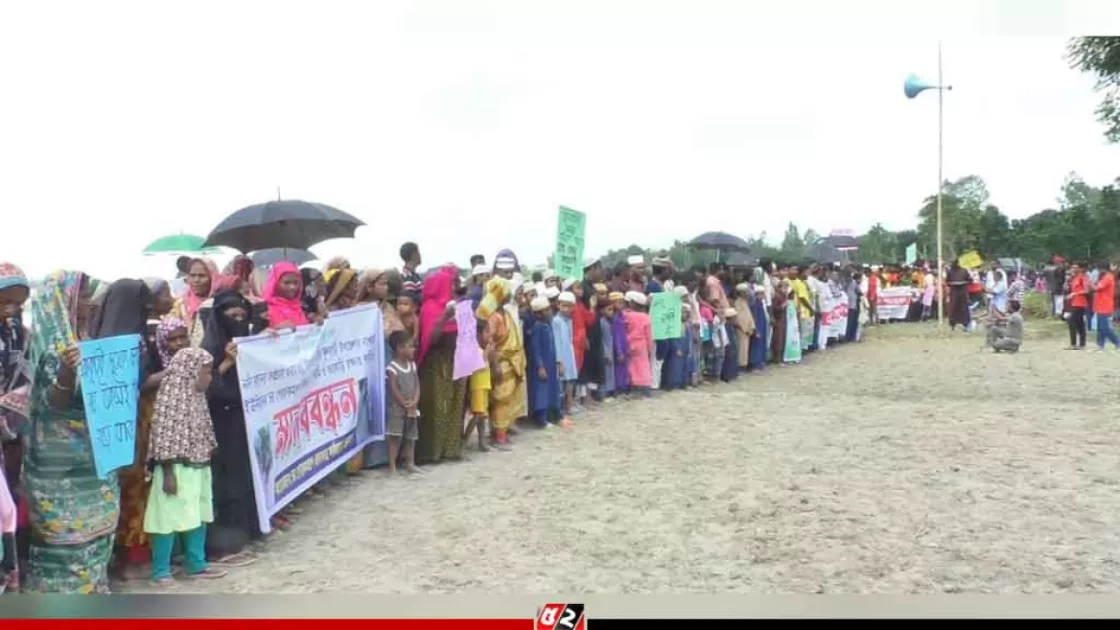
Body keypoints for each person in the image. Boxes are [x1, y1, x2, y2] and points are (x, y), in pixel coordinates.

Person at [24, 271, 121, 593]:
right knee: (66, 547)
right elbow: (53, 404)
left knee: (97, 543)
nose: (91, 303)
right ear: (62, 299)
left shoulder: (87, 340)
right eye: (83, 296)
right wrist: (68, 369)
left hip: (95, 463)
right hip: (59, 467)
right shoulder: (46, 348)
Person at [144, 347, 225, 586]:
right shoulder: (171, 398)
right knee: (167, 518)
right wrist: (168, 473)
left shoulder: (195, 396)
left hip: (198, 463)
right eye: (205, 372)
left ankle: (196, 564)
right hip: (175, 467)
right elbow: (162, 436)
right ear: (190, 371)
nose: (208, 378)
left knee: (198, 514)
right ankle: (160, 571)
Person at [201, 291, 260, 567]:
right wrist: (225, 363)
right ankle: (221, 545)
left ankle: (245, 532)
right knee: (224, 481)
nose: (238, 321)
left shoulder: (247, 339)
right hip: (218, 423)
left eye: (242, 316)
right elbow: (203, 388)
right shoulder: (208, 347)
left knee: (242, 476)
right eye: (232, 316)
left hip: (241, 417)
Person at [416, 266, 466, 463]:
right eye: (450, 284)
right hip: (437, 363)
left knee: (455, 404)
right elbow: (431, 338)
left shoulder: (454, 306)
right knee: (438, 407)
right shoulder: (429, 309)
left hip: (455, 360)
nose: (454, 288)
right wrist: (445, 317)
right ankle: (433, 452)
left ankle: (451, 449)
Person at [478, 278, 524, 447]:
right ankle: (499, 436)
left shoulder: (505, 313)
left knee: (505, 399)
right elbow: (489, 343)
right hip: (499, 362)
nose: (510, 294)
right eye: (507, 292)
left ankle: (500, 432)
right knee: (500, 399)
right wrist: (495, 365)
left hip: (509, 362)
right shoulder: (494, 317)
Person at [385, 330, 423, 474]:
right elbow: (393, 388)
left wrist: (415, 400)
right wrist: (403, 402)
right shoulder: (392, 368)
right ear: (400, 348)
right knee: (395, 437)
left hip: (412, 407)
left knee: (410, 437)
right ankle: (392, 466)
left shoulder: (412, 365)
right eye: (410, 346)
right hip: (397, 408)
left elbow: (417, 384)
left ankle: (410, 463)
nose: (413, 349)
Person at [527, 296, 560, 427]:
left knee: (550, 390)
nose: (549, 312)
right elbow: (535, 349)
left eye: (549, 309)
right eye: (546, 310)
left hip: (550, 362)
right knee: (541, 392)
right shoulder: (537, 327)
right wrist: (540, 366)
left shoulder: (548, 325)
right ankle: (541, 419)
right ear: (538, 314)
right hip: (542, 365)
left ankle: (551, 416)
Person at [173, 258, 222, 347]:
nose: (196, 280)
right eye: (192, 275)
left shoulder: (221, 304)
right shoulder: (181, 305)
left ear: (213, 277)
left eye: (202, 276)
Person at [464, 320, 495, 452]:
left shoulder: (482, 349)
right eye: (486, 331)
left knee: (482, 416)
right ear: (478, 334)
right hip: (477, 386)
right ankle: (464, 440)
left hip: (484, 385)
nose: (489, 334)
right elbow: (477, 366)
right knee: (478, 414)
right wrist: (487, 352)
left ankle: (482, 442)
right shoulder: (475, 349)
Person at [623, 292, 654, 397]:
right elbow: (649, 335)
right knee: (643, 366)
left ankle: (631, 388)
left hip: (628, 344)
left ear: (631, 303)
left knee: (630, 366)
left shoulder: (625, 315)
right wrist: (649, 349)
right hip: (641, 345)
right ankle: (645, 389)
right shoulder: (646, 317)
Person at [262, 262, 309, 329]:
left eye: (296, 283)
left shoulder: (297, 306)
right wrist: (277, 328)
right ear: (275, 283)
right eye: (286, 283)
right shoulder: (266, 309)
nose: (292, 287)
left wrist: (312, 321)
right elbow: (257, 333)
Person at [1093, 262, 1120, 351]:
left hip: (1105, 306)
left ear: (1103, 269)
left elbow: (1097, 288)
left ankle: (1117, 341)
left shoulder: (1108, 277)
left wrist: (1089, 284)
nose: (1098, 271)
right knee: (1100, 328)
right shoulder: (1104, 277)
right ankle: (1100, 345)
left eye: (1099, 269)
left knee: (1105, 328)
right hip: (1100, 305)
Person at [1066, 262, 1090, 350]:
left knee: (1072, 322)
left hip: (1080, 303)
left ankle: (1074, 344)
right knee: (1079, 323)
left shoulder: (1083, 277)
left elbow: (1087, 290)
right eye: (1072, 267)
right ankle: (1081, 344)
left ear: (1080, 269)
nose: (1073, 269)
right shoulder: (1074, 278)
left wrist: (1074, 294)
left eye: (1075, 267)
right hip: (1074, 303)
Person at [947, 262, 971, 331]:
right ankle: (952, 326)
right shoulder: (950, 271)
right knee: (953, 310)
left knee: (963, 309)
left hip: (962, 293)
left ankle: (965, 326)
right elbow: (947, 281)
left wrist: (963, 283)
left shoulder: (964, 271)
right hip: (954, 293)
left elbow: (969, 280)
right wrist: (953, 283)